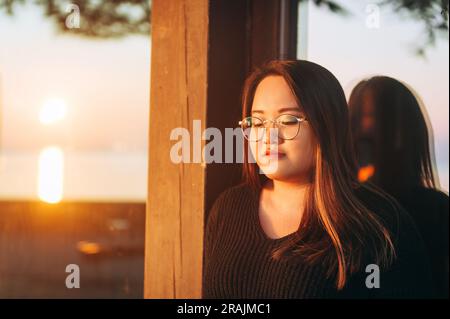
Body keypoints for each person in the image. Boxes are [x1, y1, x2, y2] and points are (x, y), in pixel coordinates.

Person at [202, 60, 434, 299]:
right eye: (257, 122)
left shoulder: (379, 223)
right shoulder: (229, 207)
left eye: (289, 120)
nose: (268, 136)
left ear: (326, 126)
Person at [349, 76, 449, 298]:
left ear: (399, 131)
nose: (354, 131)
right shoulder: (337, 207)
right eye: (353, 119)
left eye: (366, 117)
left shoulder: (436, 211)